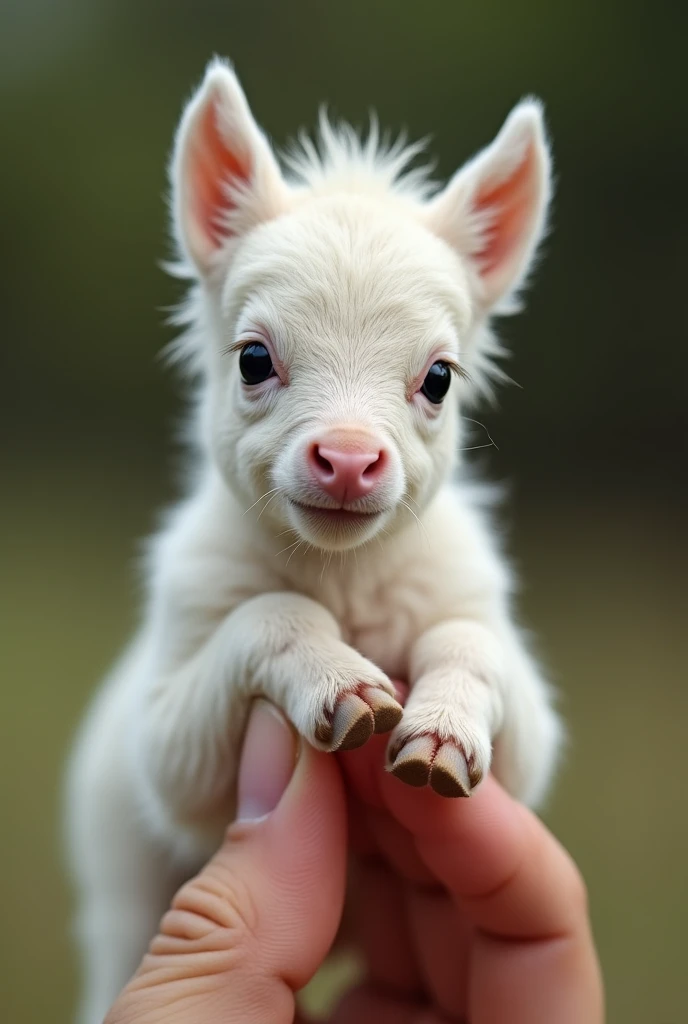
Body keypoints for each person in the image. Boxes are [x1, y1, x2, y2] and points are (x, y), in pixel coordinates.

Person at [105, 697, 604, 1023]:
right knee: (118, 976)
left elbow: (525, 765)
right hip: (184, 865)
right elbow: (175, 790)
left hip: (381, 882)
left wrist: (460, 688)